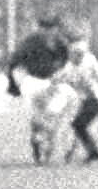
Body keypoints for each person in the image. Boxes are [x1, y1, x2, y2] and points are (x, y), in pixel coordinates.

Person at [7, 16, 69, 164]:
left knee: (52, 115)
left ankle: (47, 149)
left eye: (51, 28)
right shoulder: (30, 42)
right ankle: (38, 145)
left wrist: (61, 75)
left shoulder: (61, 44)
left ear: (56, 29)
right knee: (37, 117)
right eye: (44, 28)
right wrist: (15, 85)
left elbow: (67, 64)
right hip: (33, 81)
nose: (47, 32)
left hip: (53, 82)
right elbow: (15, 63)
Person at [49, 30, 98, 164]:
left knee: (82, 124)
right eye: (74, 54)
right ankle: (92, 152)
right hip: (87, 101)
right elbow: (58, 78)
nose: (77, 56)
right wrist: (54, 82)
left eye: (80, 54)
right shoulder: (69, 67)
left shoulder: (89, 62)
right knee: (79, 125)